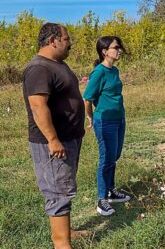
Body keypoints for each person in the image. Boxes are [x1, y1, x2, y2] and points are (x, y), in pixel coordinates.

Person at [22, 23, 85, 249]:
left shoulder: (57, 64)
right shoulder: (39, 68)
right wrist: (53, 139)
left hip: (69, 139)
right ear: (53, 41)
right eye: (67, 39)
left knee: (65, 187)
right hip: (54, 143)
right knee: (57, 192)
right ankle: (62, 244)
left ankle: (67, 232)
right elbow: (38, 107)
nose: (70, 43)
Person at [83, 36, 130, 216]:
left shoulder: (115, 70)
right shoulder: (99, 72)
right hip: (104, 121)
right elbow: (87, 98)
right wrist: (90, 118)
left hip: (119, 119)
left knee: (115, 155)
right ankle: (102, 199)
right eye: (115, 47)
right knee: (106, 158)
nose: (119, 50)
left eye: (119, 47)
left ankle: (111, 191)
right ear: (104, 51)